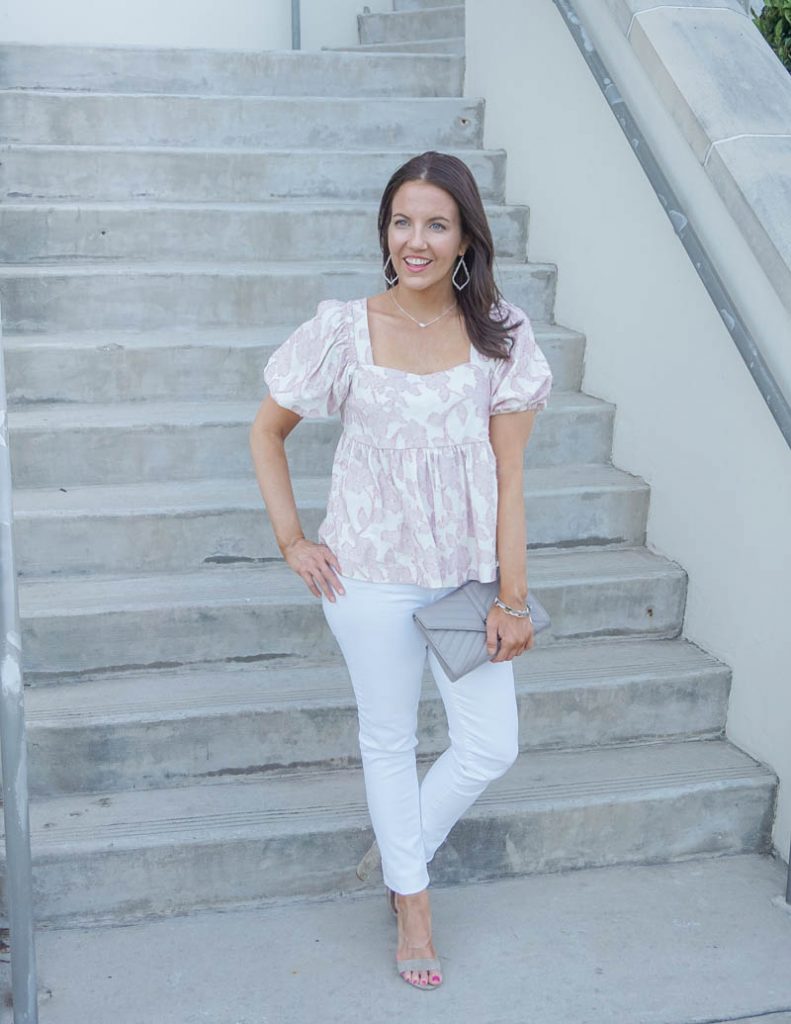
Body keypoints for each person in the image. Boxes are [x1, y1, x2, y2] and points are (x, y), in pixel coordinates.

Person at [249, 150, 553, 991]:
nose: (414, 240)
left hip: (464, 578)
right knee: (386, 740)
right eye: (400, 221)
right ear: (385, 232)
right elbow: (265, 433)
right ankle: (412, 905)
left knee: (490, 745)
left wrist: (514, 598)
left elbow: (510, 479)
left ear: (464, 240)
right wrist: (292, 541)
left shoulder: (503, 336)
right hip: (368, 574)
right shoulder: (342, 329)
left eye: (435, 224)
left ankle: (398, 852)